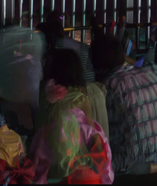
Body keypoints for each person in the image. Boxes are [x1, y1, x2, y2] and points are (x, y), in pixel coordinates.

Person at [94, 36, 157, 176]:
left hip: (133, 163)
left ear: (98, 66)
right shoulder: (152, 72)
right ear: (124, 55)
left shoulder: (107, 87)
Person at [32, 50, 112, 184]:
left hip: (49, 164)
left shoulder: (45, 97)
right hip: (76, 167)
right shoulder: (80, 98)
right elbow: (92, 131)